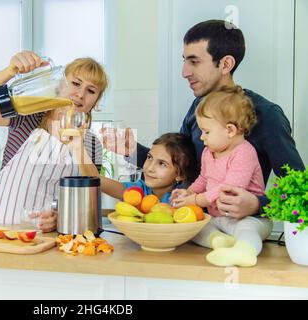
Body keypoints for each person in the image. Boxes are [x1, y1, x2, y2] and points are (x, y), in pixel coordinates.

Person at [103, 19, 305, 218]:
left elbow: (301, 193)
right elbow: (180, 166)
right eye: (184, 60)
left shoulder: (267, 114)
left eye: (194, 61)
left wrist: (257, 205)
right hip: (193, 226)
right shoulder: (198, 108)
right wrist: (132, 150)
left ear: (226, 64)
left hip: (239, 230)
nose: (184, 72)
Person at [0, 51, 108, 232]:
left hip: (49, 242)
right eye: (75, 83)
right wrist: (9, 71)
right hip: (1, 234)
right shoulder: (26, 116)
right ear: (59, 84)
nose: (81, 94)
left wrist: (59, 218)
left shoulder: (91, 144)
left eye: (91, 91)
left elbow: (87, 202)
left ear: (96, 101)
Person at [171, 86, 272, 267]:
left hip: (250, 218)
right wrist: (188, 192)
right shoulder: (209, 152)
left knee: (248, 230)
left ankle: (245, 252)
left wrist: (195, 200)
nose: (202, 137)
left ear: (230, 130)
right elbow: (204, 178)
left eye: (206, 131)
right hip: (220, 219)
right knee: (198, 227)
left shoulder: (244, 153)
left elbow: (227, 188)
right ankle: (220, 242)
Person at [68, 132, 197, 204]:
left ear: (180, 175)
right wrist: (79, 148)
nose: (150, 168)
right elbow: (97, 180)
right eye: (149, 157)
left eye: (162, 163)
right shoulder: (138, 190)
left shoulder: (182, 198)